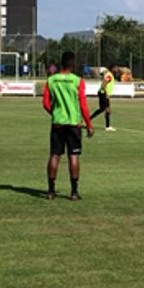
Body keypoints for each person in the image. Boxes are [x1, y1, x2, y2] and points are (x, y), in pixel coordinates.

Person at [43, 52, 95, 201]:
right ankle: (73, 192)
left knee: (54, 155)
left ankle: (51, 191)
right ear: (73, 64)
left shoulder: (51, 80)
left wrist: (55, 113)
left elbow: (46, 103)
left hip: (58, 124)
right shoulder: (77, 81)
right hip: (73, 124)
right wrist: (89, 125)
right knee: (73, 156)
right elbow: (83, 106)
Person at [90, 67, 116, 131]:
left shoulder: (107, 75)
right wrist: (106, 93)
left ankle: (88, 119)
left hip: (102, 93)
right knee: (107, 109)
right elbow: (103, 85)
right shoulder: (109, 75)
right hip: (103, 93)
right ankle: (107, 126)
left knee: (102, 109)